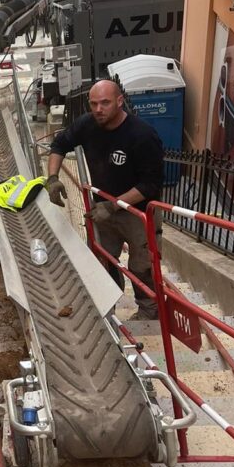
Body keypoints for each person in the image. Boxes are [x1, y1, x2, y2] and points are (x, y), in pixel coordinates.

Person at [46, 80, 164, 320]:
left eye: (105, 103)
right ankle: (107, 307)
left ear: (120, 102)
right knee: (102, 260)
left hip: (137, 212)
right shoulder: (87, 125)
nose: (98, 109)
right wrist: (52, 178)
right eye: (93, 104)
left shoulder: (142, 135)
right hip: (102, 210)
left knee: (143, 265)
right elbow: (59, 144)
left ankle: (149, 312)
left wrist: (113, 206)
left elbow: (150, 185)